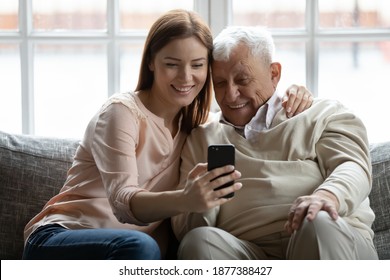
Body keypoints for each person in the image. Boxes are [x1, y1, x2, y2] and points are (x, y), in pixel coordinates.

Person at [22, 10, 312, 260]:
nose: (186, 77)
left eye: (198, 65)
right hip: (60, 238)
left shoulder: (197, 128)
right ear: (151, 62)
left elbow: (249, 114)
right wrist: (186, 199)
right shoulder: (122, 112)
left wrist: (292, 93)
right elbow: (123, 201)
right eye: (172, 64)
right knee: (140, 247)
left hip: (133, 253)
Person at [171, 26, 379, 260]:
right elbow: (184, 228)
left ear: (274, 73)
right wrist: (201, 200)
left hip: (329, 237)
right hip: (248, 252)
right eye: (219, 83)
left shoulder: (322, 113)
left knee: (317, 222)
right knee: (198, 241)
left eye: (242, 80)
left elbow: (353, 166)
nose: (230, 95)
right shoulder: (201, 138)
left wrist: (327, 196)